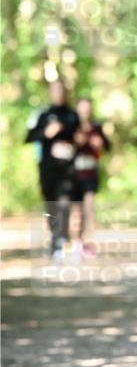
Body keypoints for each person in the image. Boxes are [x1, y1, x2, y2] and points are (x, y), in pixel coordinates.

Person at [25, 80, 80, 258]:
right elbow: (29, 136)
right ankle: (54, 237)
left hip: (68, 170)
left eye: (61, 89)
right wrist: (46, 133)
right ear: (50, 93)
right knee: (50, 204)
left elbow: (81, 136)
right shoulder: (43, 115)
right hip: (48, 169)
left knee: (64, 203)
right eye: (55, 90)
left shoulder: (72, 115)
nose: (58, 93)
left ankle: (61, 239)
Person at [71, 97, 111, 257]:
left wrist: (100, 143)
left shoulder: (96, 127)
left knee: (89, 207)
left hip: (91, 173)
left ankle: (87, 243)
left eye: (88, 109)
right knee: (76, 210)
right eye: (82, 109)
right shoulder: (72, 127)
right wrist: (75, 142)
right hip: (73, 174)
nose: (85, 112)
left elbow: (108, 145)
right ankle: (76, 244)